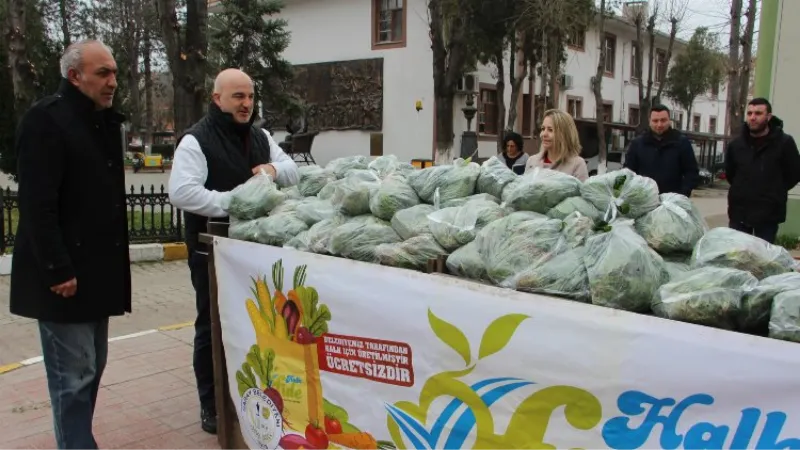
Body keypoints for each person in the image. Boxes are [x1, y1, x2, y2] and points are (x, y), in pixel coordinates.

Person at [9, 40, 131, 450]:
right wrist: (57, 270)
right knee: (73, 380)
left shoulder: (103, 122)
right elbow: (36, 205)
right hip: (66, 279)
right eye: (103, 73)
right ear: (74, 75)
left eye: (114, 73)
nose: (112, 81)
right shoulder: (47, 120)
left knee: (90, 372)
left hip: (97, 275)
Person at [168, 68, 299, 434]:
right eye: (238, 97)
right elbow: (180, 191)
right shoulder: (196, 141)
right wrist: (235, 202)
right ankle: (210, 403)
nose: (246, 104)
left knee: (253, 324)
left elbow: (293, 170)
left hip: (254, 253)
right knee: (211, 324)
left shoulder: (260, 136)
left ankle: (247, 393)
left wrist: (272, 169)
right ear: (217, 99)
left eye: (250, 97)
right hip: (210, 252)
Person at [725, 97, 800, 244]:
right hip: (740, 213)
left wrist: (775, 190)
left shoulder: (784, 143)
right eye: (750, 113)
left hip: (768, 214)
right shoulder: (736, 145)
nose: (753, 117)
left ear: (769, 117)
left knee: (762, 261)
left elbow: (794, 173)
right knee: (737, 258)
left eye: (758, 113)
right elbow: (731, 174)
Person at [624, 104, 699, 196]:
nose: (659, 124)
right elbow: (628, 172)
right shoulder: (638, 144)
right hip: (644, 199)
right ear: (649, 121)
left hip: (673, 201)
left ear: (669, 121)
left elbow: (691, 172)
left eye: (663, 120)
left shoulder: (681, 142)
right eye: (655, 121)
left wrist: (683, 194)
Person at [525, 109, 589, 181]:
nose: (544, 134)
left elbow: (582, 191)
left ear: (565, 134)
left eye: (550, 130)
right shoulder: (532, 161)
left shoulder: (577, 164)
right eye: (543, 129)